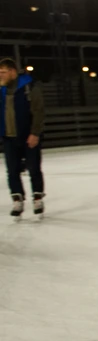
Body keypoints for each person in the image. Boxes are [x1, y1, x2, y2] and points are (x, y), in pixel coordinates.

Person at [0, 58, 45, 220]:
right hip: (8, 137)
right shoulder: (1, 89)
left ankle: (38, 198)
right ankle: (17, 199)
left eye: (3, 72)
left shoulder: (29, 87)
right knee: (12, 170)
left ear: (13, 71)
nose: (1, 75)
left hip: (28, 136)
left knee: (33, 168)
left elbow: (38, 111)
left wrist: (35, 133)